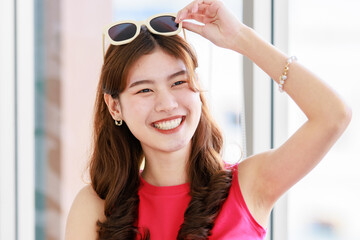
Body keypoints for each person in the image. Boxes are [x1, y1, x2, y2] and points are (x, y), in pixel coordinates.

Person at [65, 0, 352, 239]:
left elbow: (333, 115)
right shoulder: (96, 208)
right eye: (145, 90)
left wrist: (240, 37)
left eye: (178, 83)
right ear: (115, 107)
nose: (167, 104)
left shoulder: (249, 185)